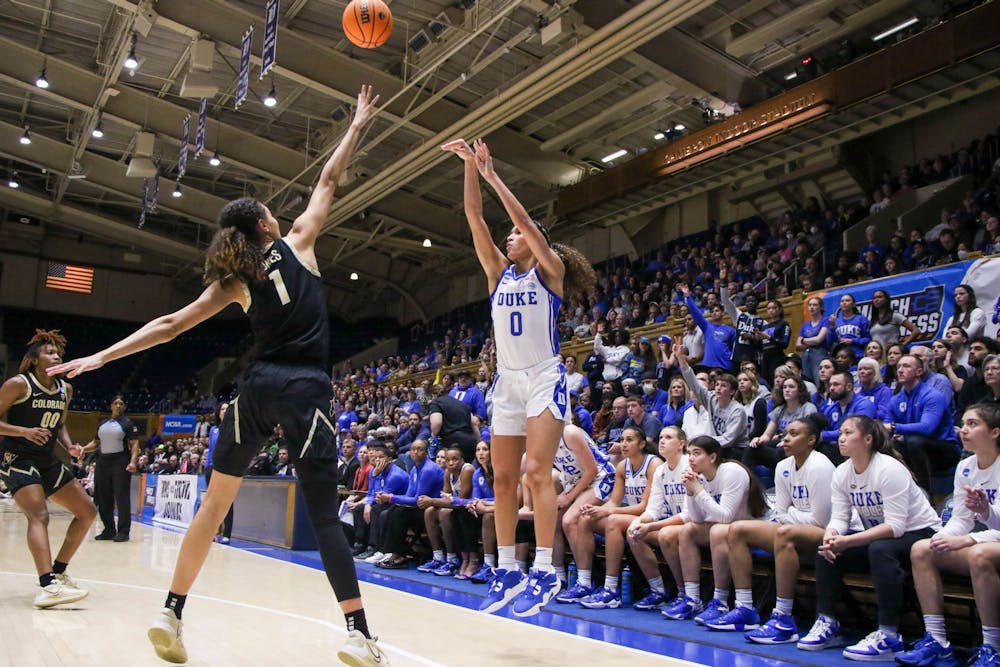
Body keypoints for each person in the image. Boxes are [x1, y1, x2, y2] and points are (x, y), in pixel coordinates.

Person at [48, 86, 389, 665]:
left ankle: (171, 611)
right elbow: (329, 181)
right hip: (305, 391)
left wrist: (100, 358)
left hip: (253, 391)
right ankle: (359, 633)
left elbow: (170, 323)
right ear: (264, 221)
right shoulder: (299, 240)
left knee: (212, 506)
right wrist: (355, 125)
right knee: (323, 514)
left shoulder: (235, 281)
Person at [442, 137, 596, 617]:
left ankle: (547, 571)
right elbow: (473, 219)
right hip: (506, 382)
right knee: (504, 477)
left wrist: (493, 176)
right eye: (506, 235)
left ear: (536, 243)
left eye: (515, 235)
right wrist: (469, 166)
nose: (509, 238)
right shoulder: (497, 274)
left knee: (535, 472)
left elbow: (526, 222)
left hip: (544, 377)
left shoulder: (548, 273)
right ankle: (508, 569)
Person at [797, 416, 940, 661]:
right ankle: (827, 622)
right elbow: (840, 517)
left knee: (879, 549)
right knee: (828, 547)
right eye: (840, 432)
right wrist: (832, 535)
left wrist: (850, 541)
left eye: (848, 433)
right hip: (883, 538)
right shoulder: (842, 472)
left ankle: (889, 635)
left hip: (920, 534)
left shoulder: (889, 468)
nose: (841, 438)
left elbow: (895, 526)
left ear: (868, 439)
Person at [707, 415, 834, 640]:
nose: (786, 439)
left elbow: (821, 521)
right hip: (795, 528)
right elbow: (782, 513)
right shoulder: (783, 466)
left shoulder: (820, 465)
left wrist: (792, 514)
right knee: (736, 529)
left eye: (794, 434)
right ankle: (745, 608)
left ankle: (783, 618)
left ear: (812, 440)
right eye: (785, 434)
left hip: (828, 534)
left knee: (784, 532)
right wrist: (793, 514)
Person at [897, 404, 1000, 667]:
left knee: (978, 554)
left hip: (987, 545)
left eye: (973, 424)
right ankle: (937, 641)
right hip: (986, 543)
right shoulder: (965, 466)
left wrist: (980, 522)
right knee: (922, 548)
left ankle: (993, 647)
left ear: (995, 432)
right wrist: (942, 537)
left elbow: (978, 530)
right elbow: (961, 519)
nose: (964, 430)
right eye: (963, 423)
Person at [0, 330, 95, 609]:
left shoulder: (65, 389)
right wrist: (24, 431)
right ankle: (47, 586)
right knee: (39, 515)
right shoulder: (18, 384)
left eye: (58, 353)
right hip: (16, 456)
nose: (56, 356)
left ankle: (59, 572)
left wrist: (70, 447)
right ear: (33, 359)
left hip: (46, 458)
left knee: (87, 512)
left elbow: (60, 424)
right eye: (49, 352)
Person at [659, 435, 767, 623]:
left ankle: (720, 601)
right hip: (731, 529)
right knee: (687, 531)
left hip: (758, 527)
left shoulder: (732, 471)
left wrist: (698, 491)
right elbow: (697, 519)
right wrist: (691, 493)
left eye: (697, 453)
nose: (691, 458)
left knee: (718, 530)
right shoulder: (699, 477)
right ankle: (692, 598)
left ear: (712, 457)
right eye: (689, 453)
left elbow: (725, 517)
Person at [570, 426, 660, 609]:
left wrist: (607, 512)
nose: (623, 444)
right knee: (585, 519)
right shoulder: (622, 466)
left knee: (612, 521)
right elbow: (615, 502)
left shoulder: (654, 464)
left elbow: (644, 507)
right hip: (635, 517)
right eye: (622, 440)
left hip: (656, 517)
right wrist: (596, 509)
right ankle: (585, 582)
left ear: (642, 444)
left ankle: (611, 589)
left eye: (629, 440)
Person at [626, 426, 689, 611]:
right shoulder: (660, 471)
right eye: (661, 437)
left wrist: (651, 526)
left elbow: (688, 515)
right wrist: (639, 522)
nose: (662, 441)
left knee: (666, 535)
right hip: (673, 522)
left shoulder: (689, 465)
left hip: (694, 524)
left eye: (668, 437)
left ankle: (684, 592)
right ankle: (658, 590)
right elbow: (653, 509)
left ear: (681, 444)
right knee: (634, 533)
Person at [888, 355, 961, 493]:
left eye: (906, 366)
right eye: (898, 367)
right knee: (887, 445)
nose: (900, 370)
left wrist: (896, 428)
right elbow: (886, 425)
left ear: (919, 372)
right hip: (913, 446)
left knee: (914, 441)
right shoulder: (895, 399)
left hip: (944, 449)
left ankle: (925, 493)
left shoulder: (932, 395)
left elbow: (928, 428)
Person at [78, 395, 138, 542]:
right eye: (115, 403)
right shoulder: (102, 423)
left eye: (121, 403)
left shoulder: (128, 424)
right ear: (111, 405)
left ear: (124, 407)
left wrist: (133, 462)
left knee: (121, 497)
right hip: (103, 462)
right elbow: (95, 443)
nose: (118, 405)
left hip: (120, 462)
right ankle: (109, 529)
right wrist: (82, 449)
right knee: (103, 497)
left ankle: (123, 531)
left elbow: (135, 445)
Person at [204, 401, 234, 544]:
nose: (224, 411)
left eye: (227, 409)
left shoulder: (234, 429)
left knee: (227, 501)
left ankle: (227, 533)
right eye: (222, 409)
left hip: (227, 468)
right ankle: (212, 532)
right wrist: (207, 466)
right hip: (211, 467)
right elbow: (210, 450)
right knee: (212, 502)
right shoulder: (213, 429)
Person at [797, 296, 830, 385]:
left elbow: (819, 339)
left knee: (819, 382)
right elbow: (797, 346)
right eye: (810, 305)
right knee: (808, 384)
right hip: (806, 356)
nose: (811, 307)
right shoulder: (805, 324)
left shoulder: (825, 320)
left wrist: (804, 340)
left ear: (821, 307)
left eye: (814, 305)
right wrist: (811, 342)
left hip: (819, 354)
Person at [829, 294, 871, 359]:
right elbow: (831, 341)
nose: (844, 303)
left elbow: (868, 339)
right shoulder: (836, 321)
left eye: (847, 300)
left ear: (853, 305)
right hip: (841, 356)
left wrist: (853, 341)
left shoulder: (861, 319)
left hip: (858, 355)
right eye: (842, 301)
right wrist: (832, 327)